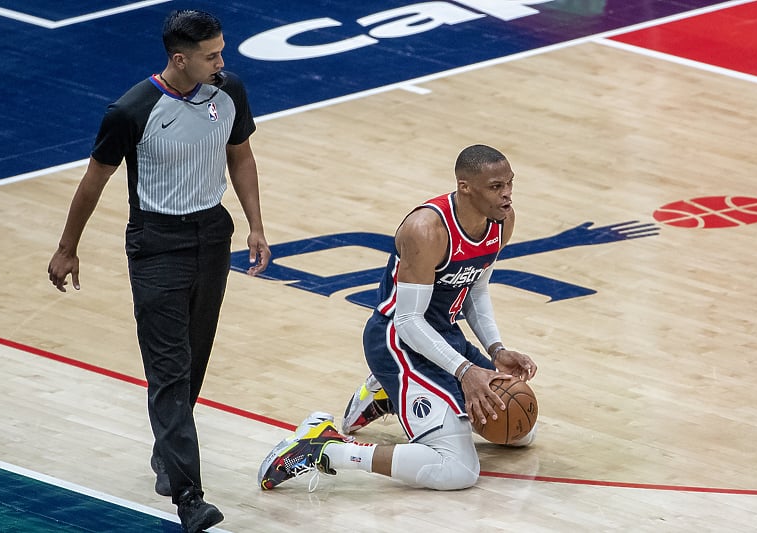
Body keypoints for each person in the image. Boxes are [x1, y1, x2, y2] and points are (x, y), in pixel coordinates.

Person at [47, 10, 270, 532]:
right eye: (211, 55)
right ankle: (190, 497)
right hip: (156, 244)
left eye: (221, 51)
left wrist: (256, 225)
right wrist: (67, 248)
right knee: (168, 371)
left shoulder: (228, 90)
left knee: (193, 359)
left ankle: (168, 454)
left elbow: (241, 156)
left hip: (213, 235)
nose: (222, 62)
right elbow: (92, 182)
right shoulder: (130, 110)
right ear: (179, 59)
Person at [258, 144, 536, 492]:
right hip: (397, 341)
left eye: (510, 184)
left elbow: (475, 291)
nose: (507, 195)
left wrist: (496, 350)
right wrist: (466, 372)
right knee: (458, 470)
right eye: (496, 187)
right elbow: (407, 322)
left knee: (519, 427)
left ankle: (387, 395)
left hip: (443, 336)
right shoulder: (426, 230)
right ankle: (325, 448)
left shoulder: (501, 221)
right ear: (465, 187)